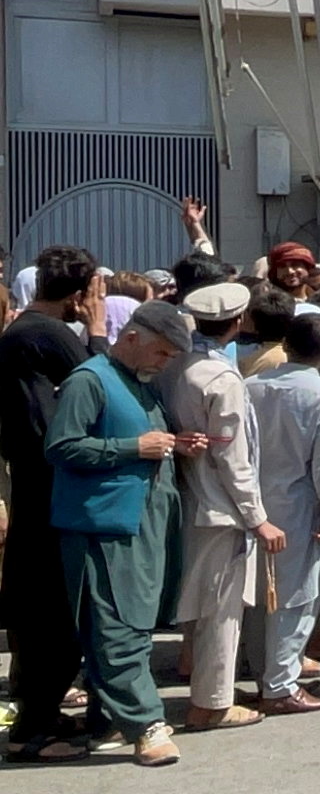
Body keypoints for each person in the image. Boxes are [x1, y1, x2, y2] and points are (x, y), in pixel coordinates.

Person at [46, 299, 195, 767]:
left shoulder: (138, 383)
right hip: (105, 527)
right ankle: (146, 724)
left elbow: (145, 441)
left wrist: (173, 444)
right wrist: (133, 447)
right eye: (163, 353)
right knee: (117, 627)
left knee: (133, 623)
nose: (165, 363)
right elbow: (63, 445)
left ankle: (105, 719)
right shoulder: (90, 381)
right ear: (132, 338)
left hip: (140, 522)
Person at [157, 279, 281, 733]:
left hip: (194, 500)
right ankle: (212, 703)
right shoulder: (221, 378)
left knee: (204, 607)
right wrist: (258, 518)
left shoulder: (178, 367)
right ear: (238, 321)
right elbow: (234, 459)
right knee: (222, 610)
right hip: (221, 508)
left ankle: (211, 696)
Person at [1, 245, 106, 762]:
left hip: (34, 485)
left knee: (45, 607)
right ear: (80, 293)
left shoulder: (26, 332)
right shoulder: (44, 334)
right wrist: (99, 329)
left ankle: (37, 716)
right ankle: (34, 729)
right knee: (52, 609)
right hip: (50, 490)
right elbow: (102, 385)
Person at [243, 298, 320, 714]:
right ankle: (281, 684)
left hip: (250, 503)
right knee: (298, 597)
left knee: (256, 595)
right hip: (300, 504)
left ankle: (264, 673)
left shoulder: (251, 386)